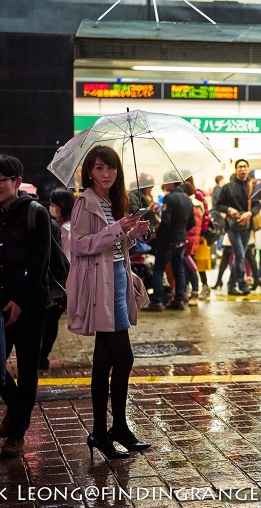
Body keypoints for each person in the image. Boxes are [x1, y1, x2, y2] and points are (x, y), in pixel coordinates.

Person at [66, 145, 150, 461]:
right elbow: (80, 245)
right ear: (90, 171)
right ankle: (111, 430)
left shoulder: (113, 201)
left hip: (116, 278)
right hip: (99, 285)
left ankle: (107, 431)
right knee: (123, 357)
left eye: (111, 168)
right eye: (100, 168)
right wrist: (118, 228)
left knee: (105, 360)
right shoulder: (84, 203)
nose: (106, 174)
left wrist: (132, 232)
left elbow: (115, 245)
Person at [0, 154, 51, 458]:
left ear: (17, 182)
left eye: (0, 180)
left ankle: (18, 433)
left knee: (27, 368)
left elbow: (40, 263)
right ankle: (16, 407)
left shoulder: (36, 213)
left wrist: (20, 301)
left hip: (31, 304)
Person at [146, 172, 195, 311]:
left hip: (168, 241)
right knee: (178, 269)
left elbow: (166, 222)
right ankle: (179, 300)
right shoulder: (187, 198)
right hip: (181, 239)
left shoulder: (169, 198)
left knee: (158, 269)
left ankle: (157, 302)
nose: (164, 185)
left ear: (171, 183)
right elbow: (192, 222)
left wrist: (159, 233)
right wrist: (181, 230)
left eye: (165, 182)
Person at [39, 187, 76, 370]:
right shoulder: (63, 226)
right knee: (50, 319)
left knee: (50, 319)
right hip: (63, 282)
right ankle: (42, 355)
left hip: (62, 283)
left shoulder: (66, 229)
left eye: (54, 204)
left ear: (63, 206)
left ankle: (42, 356)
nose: (51, 207)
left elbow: (67, 258)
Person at [216, 159, 261, 296]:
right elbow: (218, 205)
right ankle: (242, 284)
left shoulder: (252, 187)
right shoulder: (228, 187)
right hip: (233, 227)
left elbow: (257, 205)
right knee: (240, 254)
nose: (242, 169)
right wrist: (229, 209)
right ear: (236, 170)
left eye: (245, 167)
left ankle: (230, 285)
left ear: (248, 169)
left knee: (239, 257)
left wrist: (250, 213)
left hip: (247, 227)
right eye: (240, 167)